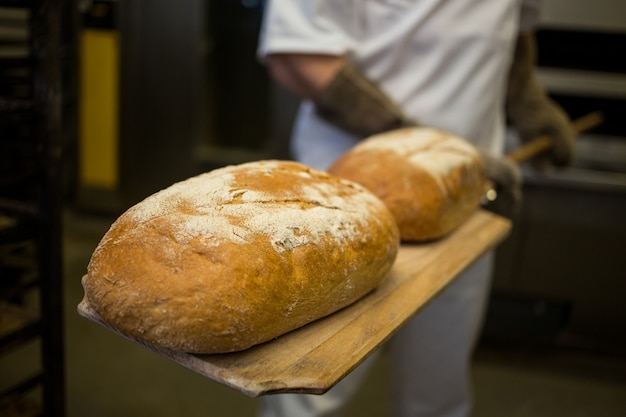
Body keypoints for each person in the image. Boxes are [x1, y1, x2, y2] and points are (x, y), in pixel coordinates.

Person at [256, 1, 574, 416]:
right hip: (342, 203)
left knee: (437, 386)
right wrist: (422, 148)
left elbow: (512, 30)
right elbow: (298, 56)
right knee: (308, 394)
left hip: (465, 204)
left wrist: (527, 101)